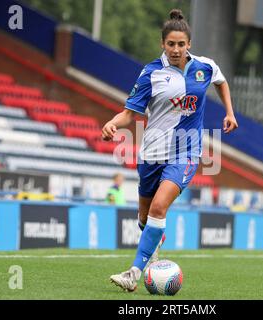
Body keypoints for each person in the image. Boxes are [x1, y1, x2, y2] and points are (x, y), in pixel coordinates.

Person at [102, 9, 238, 292]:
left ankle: (134, 273)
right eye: (170, 44)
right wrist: (113, 124)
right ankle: (154, 241)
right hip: (152, 151)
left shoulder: (205, 66)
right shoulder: (151, 73)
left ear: (189, 43)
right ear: (163, 44)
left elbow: (221, 82)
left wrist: (229, 112)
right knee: (144, 216)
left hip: (186, 151)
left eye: (181, 44)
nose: (176, 49)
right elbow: (130, 114)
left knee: (159, 207)